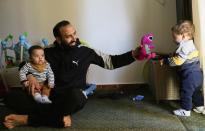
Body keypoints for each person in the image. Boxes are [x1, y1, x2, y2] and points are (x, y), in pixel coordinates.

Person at [3, 20, 140, 129]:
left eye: (74, 33)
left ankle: (28, 119)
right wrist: (30, 76)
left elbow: (111, 62)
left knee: (78, 96)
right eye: (68, 36)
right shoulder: (48, 51)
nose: (74, 38)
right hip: (49, 95)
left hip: (70, 98)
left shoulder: (86, 51)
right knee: (11, 97)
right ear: (58, 38)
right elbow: (24, 65)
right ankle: (59, 117)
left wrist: (133, 54)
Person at [160, 20, 204, 116]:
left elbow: (178, 61)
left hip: (190, 76)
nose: (173, 39)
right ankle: (200, 107)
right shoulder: (189, 44)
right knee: (196, 92)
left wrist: (166, 61)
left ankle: (186, 110)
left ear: (183, 36)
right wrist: (172, 54)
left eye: (174, 37)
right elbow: (182, 55)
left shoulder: (184, 47)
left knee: (185, 93)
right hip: (198, 74)